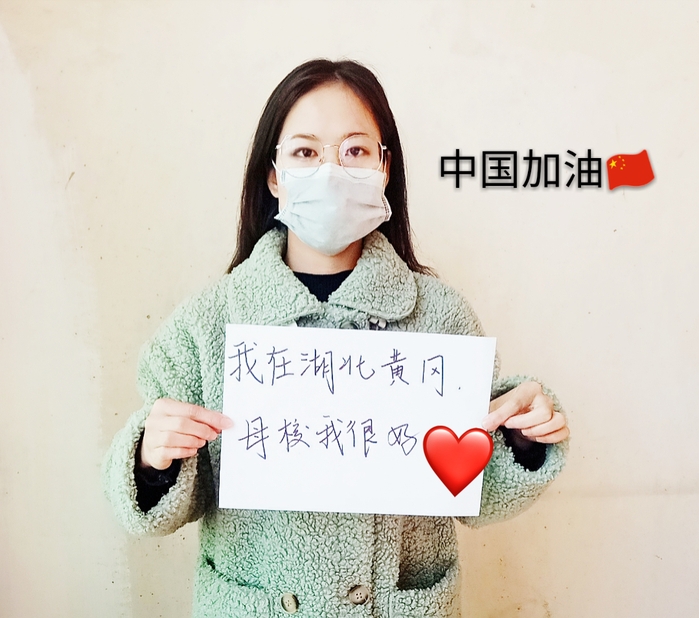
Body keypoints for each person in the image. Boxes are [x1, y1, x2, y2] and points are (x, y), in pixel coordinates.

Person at [103, 58, 569, 618]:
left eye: (355, 151)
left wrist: (523, 438)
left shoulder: (440, 317)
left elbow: (475, 490)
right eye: (305, 152)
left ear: (384, 168)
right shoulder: (207, 324)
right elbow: (163, 506)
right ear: (273, 175)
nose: (331, 171)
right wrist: (152, 460)